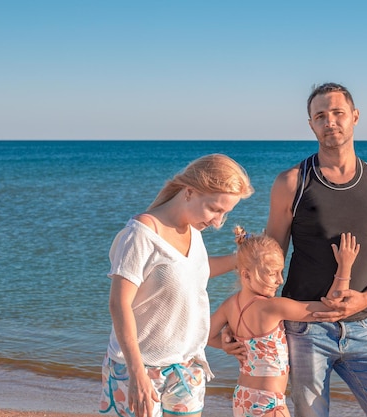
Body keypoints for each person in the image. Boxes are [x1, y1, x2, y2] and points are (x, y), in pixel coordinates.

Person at [261, 82, 367, 417]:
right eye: (320, 116)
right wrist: (247, 319)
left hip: (365, 328)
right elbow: (269, 263)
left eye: (338, 113)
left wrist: (363, 299)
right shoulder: (292, 183)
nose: (330, 121)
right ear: (311, 124)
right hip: (304, 329)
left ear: (354, 117)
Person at [99, 154, 254, 417]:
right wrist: (137, 374)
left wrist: (239, 261)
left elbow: (192, 272)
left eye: (225, 214)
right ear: (190, 192)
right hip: (138, 369)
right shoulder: (140, 234)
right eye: (215, 209)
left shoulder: (193, 230)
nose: (217, 222)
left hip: (187, 369)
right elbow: (119, 304)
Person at [209, 226, 360, 417]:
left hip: (242, 397)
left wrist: (226, 346)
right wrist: (344, 267)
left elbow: (205, 335)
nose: (280, 280)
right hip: (268, 402)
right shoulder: (273, 307)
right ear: (246, 274)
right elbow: (331, 308)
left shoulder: (229, 305)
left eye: (281, 272)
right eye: (272, 274)